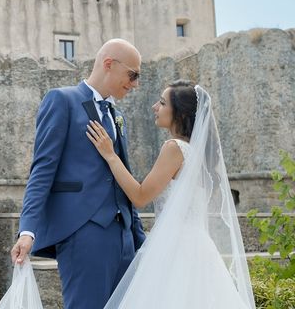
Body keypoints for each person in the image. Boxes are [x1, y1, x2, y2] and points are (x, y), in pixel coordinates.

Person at [86, 81, 255, 308]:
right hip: (199, 246)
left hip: (176, 247)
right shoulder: (199, 154)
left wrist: (110, 155)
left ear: (181, 114)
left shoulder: (174, 148)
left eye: (163, 103)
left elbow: (140, 196)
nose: (155, 107)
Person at [11, 39, 147, 309]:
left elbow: (123, 176)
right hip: (83, 232)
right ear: (109, 64)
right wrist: (27, 230)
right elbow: (42, 169)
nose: (135, 84)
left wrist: (138, 235)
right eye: (133, 75)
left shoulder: (117, 115)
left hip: (125, 236)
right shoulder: (62, 100)